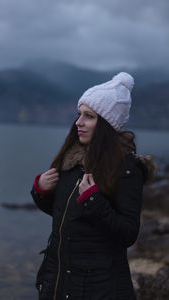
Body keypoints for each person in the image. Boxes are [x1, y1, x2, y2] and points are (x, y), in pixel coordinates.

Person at [30, 72, 156, 300]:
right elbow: (65, 215)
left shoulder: (126, 169)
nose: (78, 122)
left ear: (106, 124)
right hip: (58, 283)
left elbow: (128, 234)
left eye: (89, 116)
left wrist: (92, 199)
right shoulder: (72, 162)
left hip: (99, 289)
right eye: (79, 114)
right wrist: (41, 191)